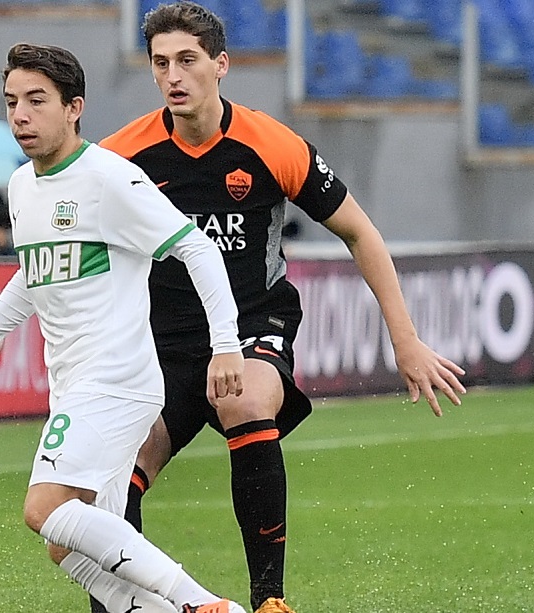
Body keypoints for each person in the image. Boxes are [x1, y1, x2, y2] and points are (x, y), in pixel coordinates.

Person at [96, 3, 468, 613]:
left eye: (187, 61)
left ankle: (270, 600)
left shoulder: (269, 144)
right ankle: (123, 604)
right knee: (120, 472)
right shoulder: (122, 158)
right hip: (160, 343)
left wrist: (406, 341)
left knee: (241, 397)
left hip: (251, 328)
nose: (173, 77)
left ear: (221, 65)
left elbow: (360, 232)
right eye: (161, 63)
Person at [0, 42, 250, 613]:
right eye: (11, 103)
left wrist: (226, 345)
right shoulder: (22, 187)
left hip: (116, 380)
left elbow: (199, 249)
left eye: (36, 101)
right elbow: (34, 277)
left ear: (74, 107)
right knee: (67, 542)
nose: (20, 117)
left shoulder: (110, 179)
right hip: (75, 385)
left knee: (44, 508)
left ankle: (203, 603)